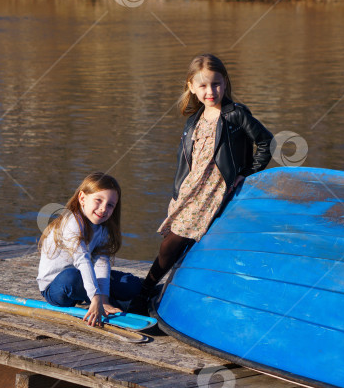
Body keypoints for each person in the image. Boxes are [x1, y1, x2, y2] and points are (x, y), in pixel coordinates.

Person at [129, 54, 274, 315]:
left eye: (216, 84)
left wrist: (248, 174)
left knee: (175, 243)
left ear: (225, 82)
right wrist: (178, 192)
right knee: (176, 245)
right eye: (204, 86)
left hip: (217, 191)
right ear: (192, 87)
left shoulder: (235, 115)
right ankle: (155, 296)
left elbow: (266, 142)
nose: (211, 91)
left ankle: (145, 296)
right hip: (192, 191)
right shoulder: (193, 121)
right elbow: (188, 161)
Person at [37, 172, 142, 326]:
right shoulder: (71, 222)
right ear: (82, 198)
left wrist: (103, 298)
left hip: (86, 278)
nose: (103, 209)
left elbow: (101, 263)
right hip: (57, 287)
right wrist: (96, 296)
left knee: (132, 284)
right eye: (98, 200)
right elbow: (83, 260)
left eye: (110, 205)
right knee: (72, 278)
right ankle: (111, 302)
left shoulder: (102, 227)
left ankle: (106, 302)